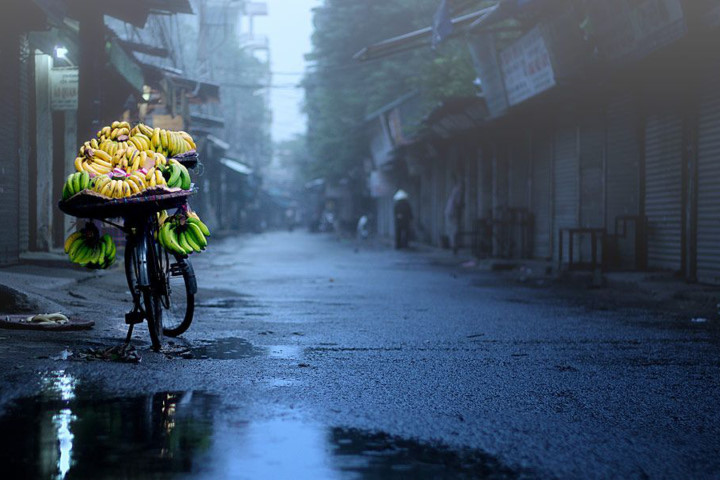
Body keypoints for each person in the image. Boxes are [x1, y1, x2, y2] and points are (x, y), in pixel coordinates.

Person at [445, 176, 464, 255]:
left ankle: (454, 246)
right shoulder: (458, 190)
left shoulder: (455, 189)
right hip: (453, 212)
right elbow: (458, 203)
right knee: (455, 229)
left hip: (450, 211)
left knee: (452, 229)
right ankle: (454, 246)